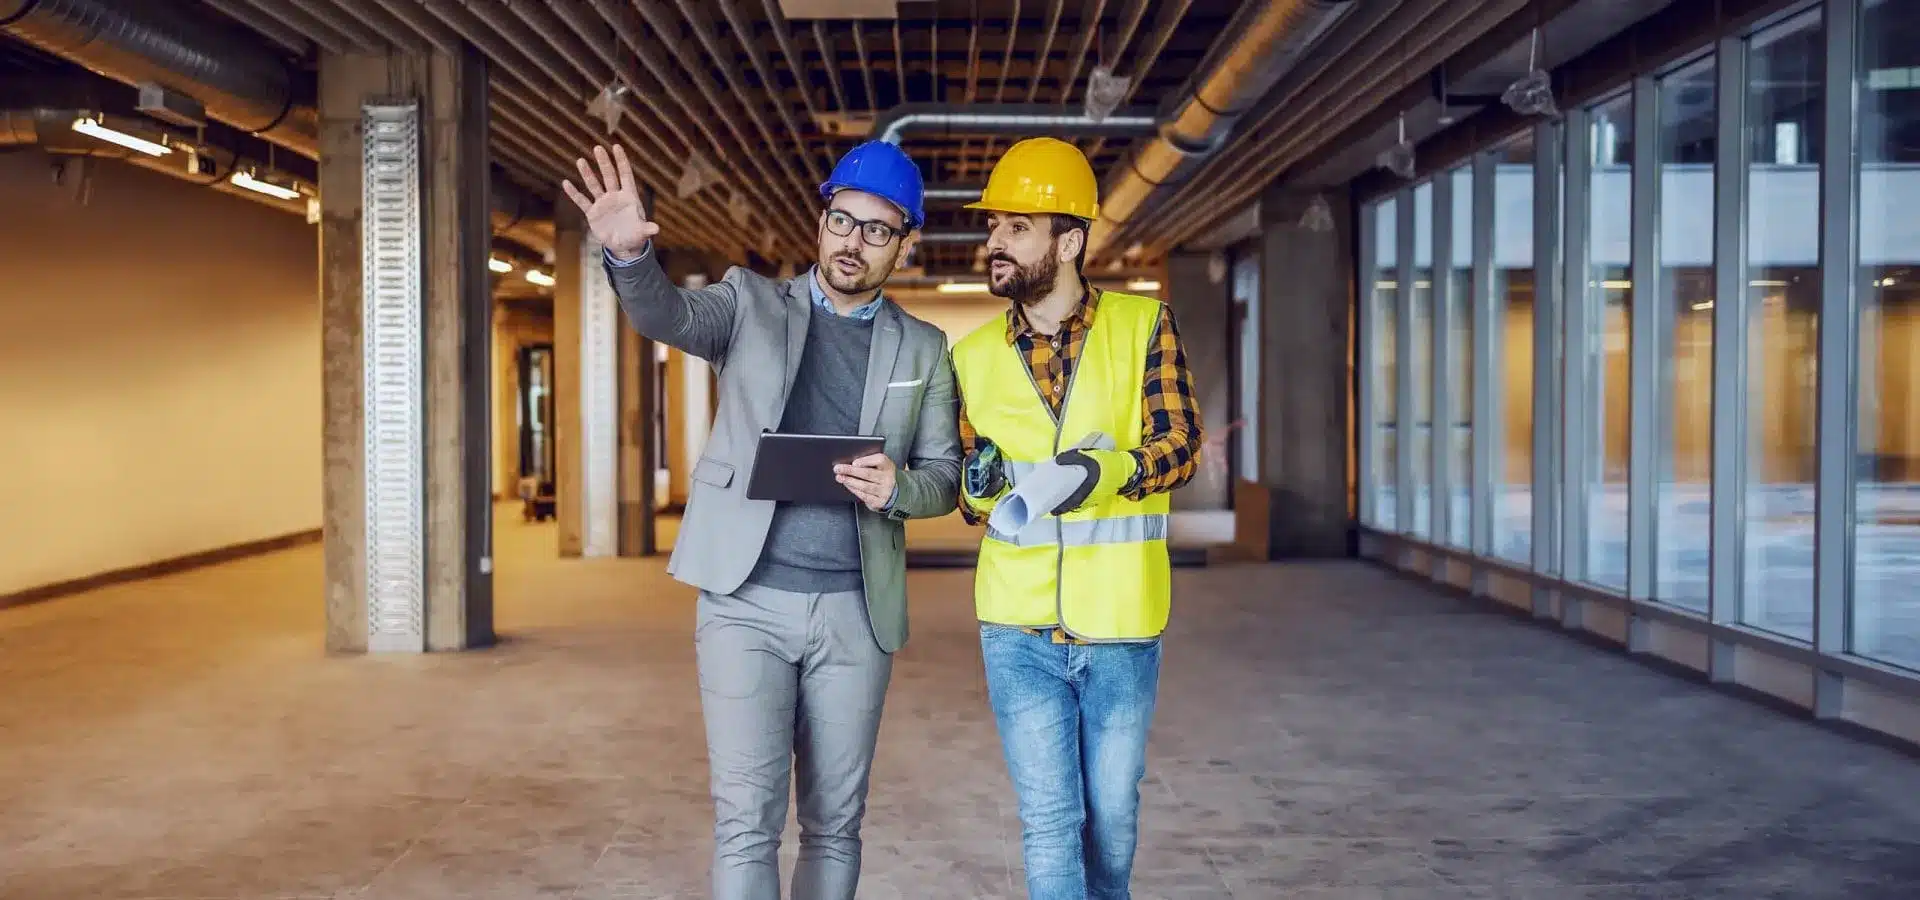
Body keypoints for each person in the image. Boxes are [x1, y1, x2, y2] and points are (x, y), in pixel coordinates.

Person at [562, 141, 961, 900]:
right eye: (842, 220)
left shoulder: (924, 348)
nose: (853, 241)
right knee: (747, 823)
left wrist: (898, 488)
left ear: (906, 244)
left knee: (836, 825)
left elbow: (943, 477)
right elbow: (667, 315)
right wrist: (629, 259)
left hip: (856, 613)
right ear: (822, 221)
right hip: (744, 603)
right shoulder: (748, 303)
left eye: (878, 230)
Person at [947, 137, 1203, 900]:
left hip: (1120, 622)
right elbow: (969, 488)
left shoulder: (1143, 326)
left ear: (1069, 242)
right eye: (994, 226)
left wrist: (1104, 471)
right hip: (1016, 626)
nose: (995, 242)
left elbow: (1180, 445)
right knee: (1050, 819)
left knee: (1112, 819)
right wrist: (978, 483)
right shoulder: (972, 356)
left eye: (1017, 227)